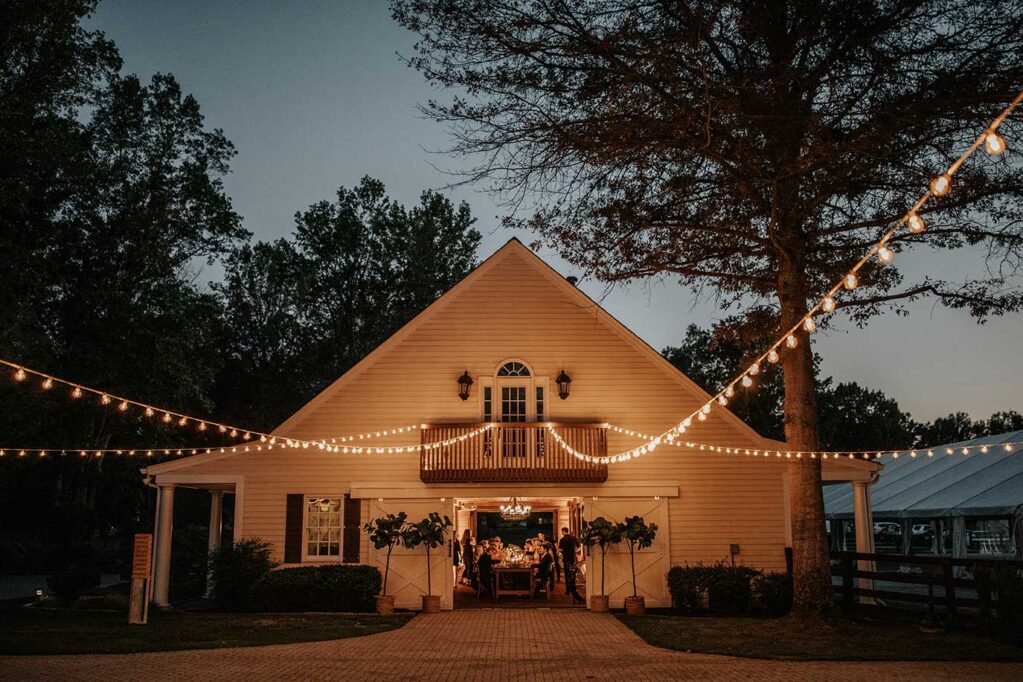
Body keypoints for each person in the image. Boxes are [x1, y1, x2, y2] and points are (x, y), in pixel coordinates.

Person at [559, 527, 584, 604]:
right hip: (573, 557)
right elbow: (579, 546)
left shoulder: (562, 540)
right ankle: (573, 587)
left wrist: (564, 552)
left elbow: (560, 549)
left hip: (566, 558)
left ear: (564, 531)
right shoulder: (573, 538)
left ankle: (567, 590)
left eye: (562, 532)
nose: (562, 533)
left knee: (567, 573)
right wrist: (575, 551)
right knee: (573, 573)